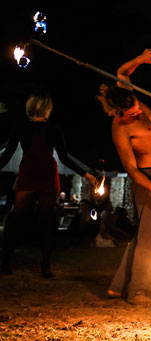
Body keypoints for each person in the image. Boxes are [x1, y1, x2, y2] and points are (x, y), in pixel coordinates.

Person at [98, 49, 151, 305]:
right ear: (118, 113)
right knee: (150, 239)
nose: (137, 113)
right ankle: (137, 291)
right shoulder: (120, 128)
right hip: (148, 180)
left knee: (144, 235)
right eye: (132, 113)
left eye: (137, 108)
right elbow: (131, 169)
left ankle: (118, 287)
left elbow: (122, 72)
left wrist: (140, 60)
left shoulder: (132, 100)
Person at [0, 93, 98, 277]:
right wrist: (86, 174)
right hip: (46, 175)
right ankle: (46, 266)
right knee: (46, 221)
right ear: (46, 109)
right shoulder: (54, 129)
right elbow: (64, 158)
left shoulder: (20, 128)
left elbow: (6, 156)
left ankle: (5, 264)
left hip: (28, 173)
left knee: (17, 218)